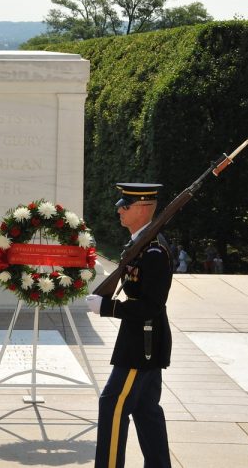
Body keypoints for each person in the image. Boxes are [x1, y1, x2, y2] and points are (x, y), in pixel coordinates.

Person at [86, 183, 173, 468]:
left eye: (126, 205)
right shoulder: (141, 243)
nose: (119, 209)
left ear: (144, 208)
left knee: (112, 405)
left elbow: (151, 306)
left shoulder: (154, 252)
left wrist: (108, 307)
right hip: (141, 339)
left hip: (142, 344)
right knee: (146, 409)